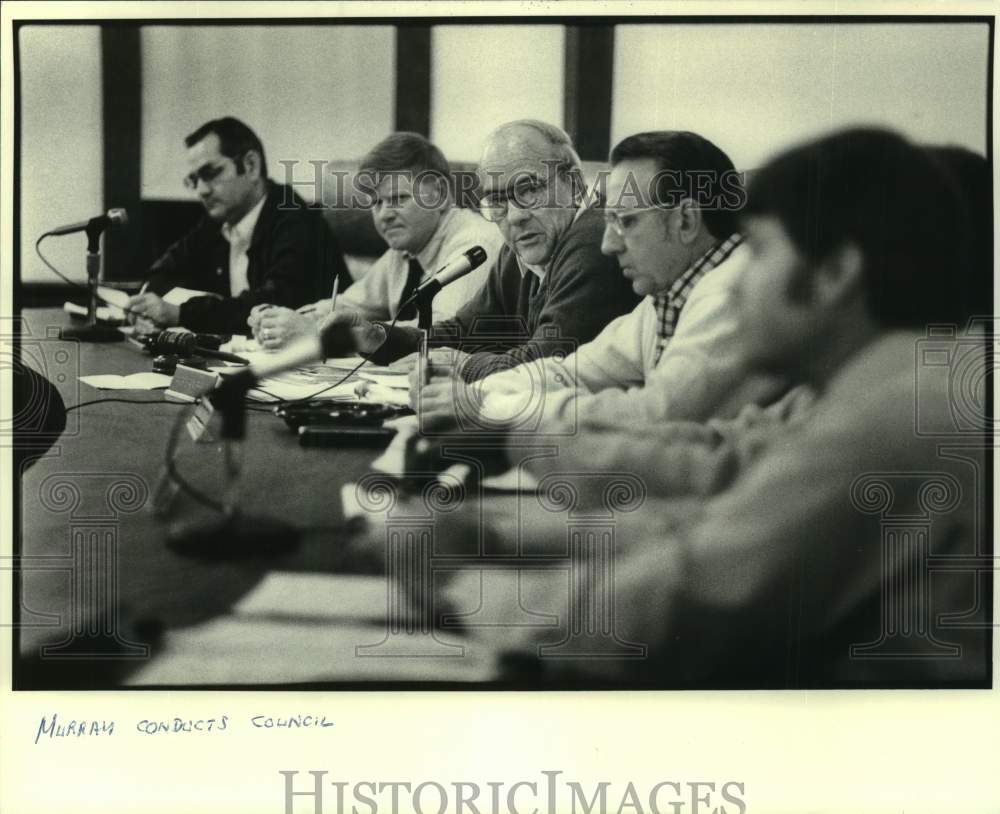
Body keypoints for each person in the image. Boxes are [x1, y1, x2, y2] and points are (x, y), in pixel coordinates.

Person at [432, 128, 988, 687]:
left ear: (836, 274)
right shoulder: (884, 379)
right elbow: (722, 485)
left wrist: (463, 590)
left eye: (761, 253)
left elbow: (698, 597)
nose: (736, 281)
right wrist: (500, 529)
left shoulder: (894, 411)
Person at [413, 130, 785, 433]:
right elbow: (570, 372)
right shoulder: (668, 296)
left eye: (625, 221)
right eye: (607, 221)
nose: (608, 244)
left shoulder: (735, 292)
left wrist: (491, 404)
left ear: (685, 221)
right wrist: (467, 392)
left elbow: (655, 415)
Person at [335, 120, 641, 379]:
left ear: (574, 184)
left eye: (530, 190)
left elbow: (544, 365)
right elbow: (465, 332)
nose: (515, 216)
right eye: (496, 200)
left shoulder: (595, 240)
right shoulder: (524, 246)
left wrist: (462, 365)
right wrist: (379, 337)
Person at [247, 132, 502, 349]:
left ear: (439, 193)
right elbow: (347, 305)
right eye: (376, 203)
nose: (384, 215)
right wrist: (285, 318)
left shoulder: (475, 245)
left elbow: (439, 335)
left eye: (398, 199)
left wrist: (324, 334)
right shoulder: (405, 250)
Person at [128, 117, 351, 335]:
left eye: (211, 173)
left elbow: (271, 304)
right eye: (194, 180)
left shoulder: (295, 219)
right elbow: (163, 271)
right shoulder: (219, 220)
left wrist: (181, 314)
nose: (201, 191)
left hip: (319, 361)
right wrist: (145, 307)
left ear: (251, 166)